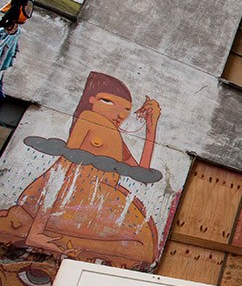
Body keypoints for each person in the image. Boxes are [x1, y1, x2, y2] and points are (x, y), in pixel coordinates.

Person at [0, 72, 161, 268]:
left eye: (126, 109)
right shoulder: (88, 118)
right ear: (92, 99)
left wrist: (151, 127)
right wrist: (37, 230)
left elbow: (141, 171)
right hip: (70, 195)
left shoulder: (115, 134)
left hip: (100, 200)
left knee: (144, 245)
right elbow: (65, 165)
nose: (120, 114)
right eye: (109, 102)